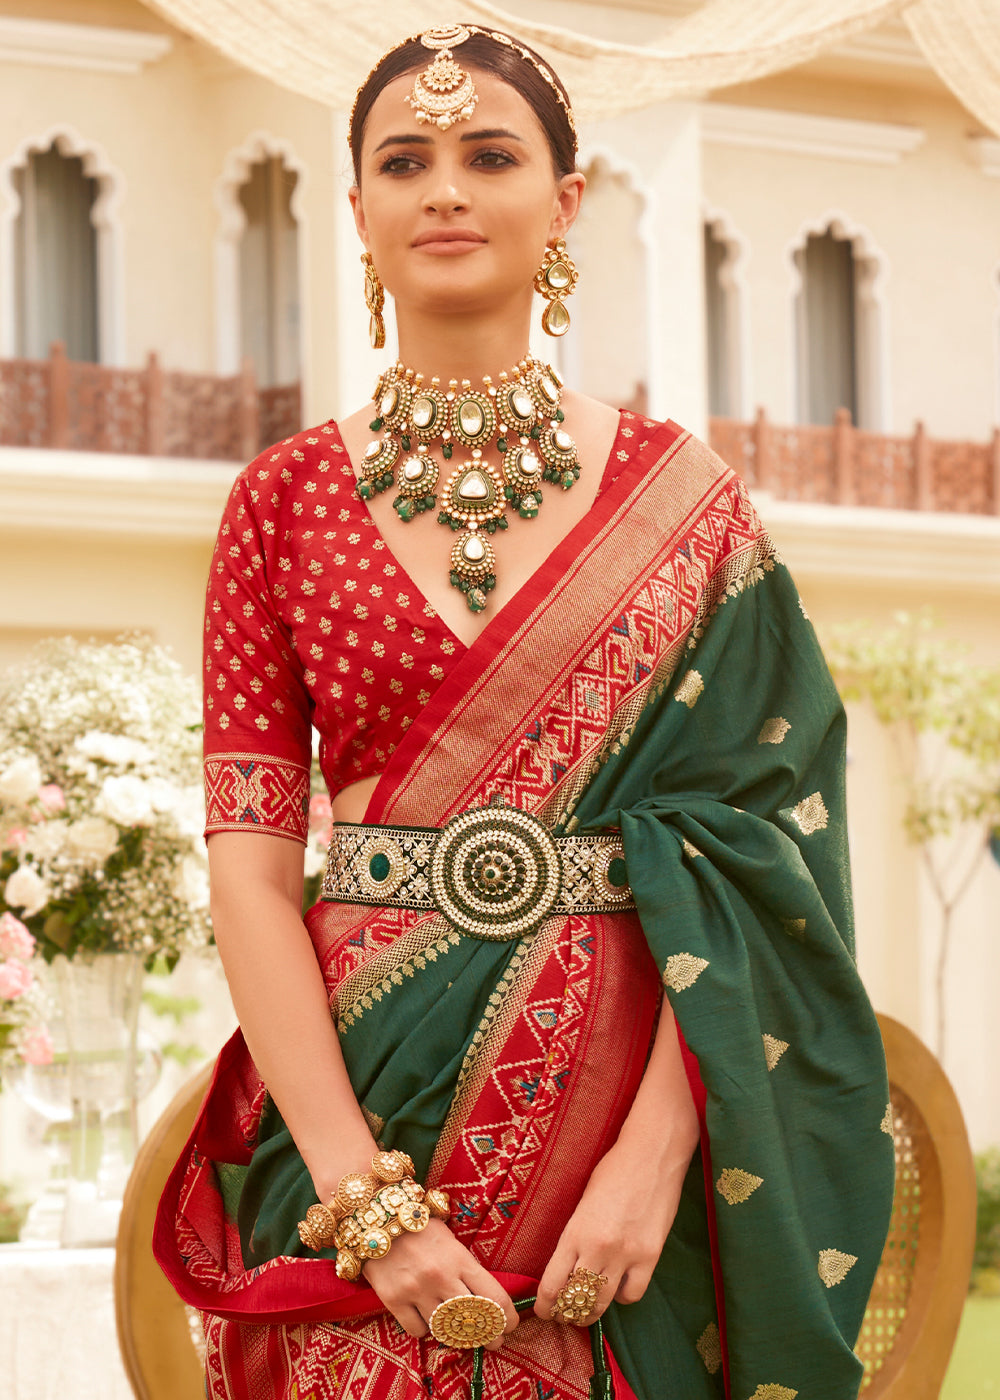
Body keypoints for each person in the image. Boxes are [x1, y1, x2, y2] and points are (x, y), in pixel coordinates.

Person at [155, 24, 895, 1400]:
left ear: (563, 202)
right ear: (358, 206)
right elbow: (250, 872)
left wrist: (654, 1159)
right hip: (356, 1104)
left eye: (489, 155)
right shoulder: (278, 503)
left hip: (620, 1122)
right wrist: (358, 1201)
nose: (445, 189)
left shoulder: (691, 507)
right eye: (404, 160)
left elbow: (760, 852)